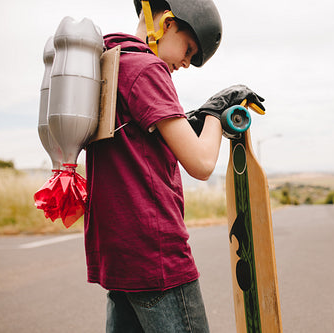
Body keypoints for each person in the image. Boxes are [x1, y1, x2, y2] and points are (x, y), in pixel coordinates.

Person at [84, 0, 264, 332]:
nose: (186, 63)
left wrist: (194, 119)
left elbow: (138, 144)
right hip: (155, 254)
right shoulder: (148, 69)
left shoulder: (110, 63)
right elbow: (201, 163)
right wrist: (215, 110)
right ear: (167, 23)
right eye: (189, 48)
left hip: (119, 255)